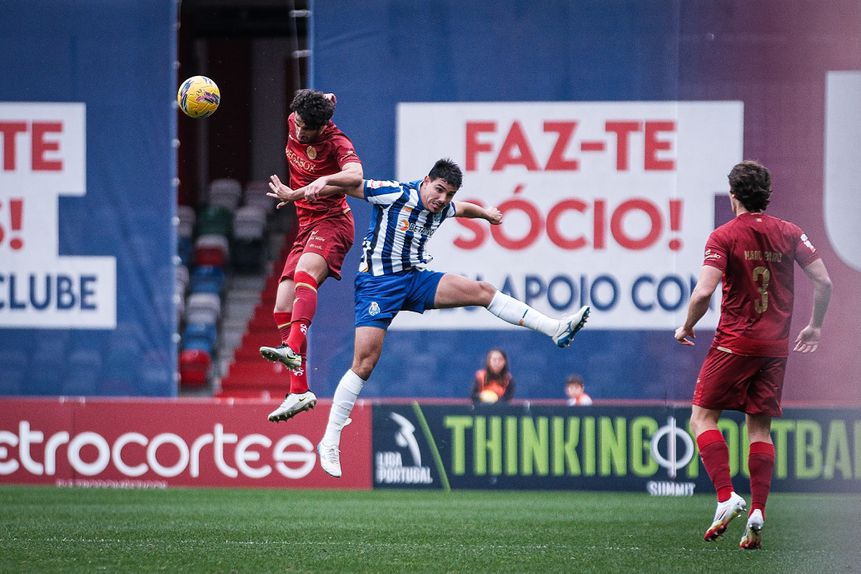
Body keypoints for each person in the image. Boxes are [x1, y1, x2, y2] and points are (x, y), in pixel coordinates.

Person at [268, 158, 590, 477]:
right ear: (425, 181)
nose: (442, 200)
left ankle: (556, 329)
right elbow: (347, 183)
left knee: (482, 290)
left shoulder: (443, 207)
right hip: (377, 286)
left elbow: (462, 208)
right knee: (364, 363)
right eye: (438, 190)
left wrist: (486, 215)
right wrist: (295, 194)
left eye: (448, 194)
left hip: (414, 279)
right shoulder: (394, 193)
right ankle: (330, 440)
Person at [674, 160, 832, 550]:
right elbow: (824, 281)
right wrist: (814, 325)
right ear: (766, 196)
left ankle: (726, 497)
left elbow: (703, 293)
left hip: (734, 343)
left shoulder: (724, 235)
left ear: (733, 196)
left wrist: (687, 325)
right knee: (759, 429)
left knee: (702, 417)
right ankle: (758, 512)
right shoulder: (791, 233)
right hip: (775, 348)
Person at [260, 89, 362, 423]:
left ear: (323, 127)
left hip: (333, 223)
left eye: (308, 128)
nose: (301, 132)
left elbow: (356, 176)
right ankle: (299, 390)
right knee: (282, 304)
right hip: (307, 225)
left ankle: (291, 347)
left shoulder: (337, 142)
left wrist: (324, 181)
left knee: (305, 274)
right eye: (299, 124)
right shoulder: (296, 116)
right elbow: (326, 98)